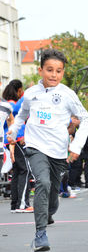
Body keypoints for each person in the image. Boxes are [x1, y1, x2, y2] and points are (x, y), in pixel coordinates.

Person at [7, 49, 88, 252]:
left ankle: (49, 211)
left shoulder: (67, 95)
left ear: (63, 73)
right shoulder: (30, 94)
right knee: (42, 183)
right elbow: (21, 115)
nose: (54, 75)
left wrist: (76, 145)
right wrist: (13, 130)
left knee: (53, 193)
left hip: (59, 152)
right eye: (50, 70)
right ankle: (40, 234)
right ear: (41, 70)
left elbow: (85, 119)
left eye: (59, 71)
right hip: (35, 147)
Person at [2, 80, 33, 213]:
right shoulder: (13, 105)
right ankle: (23, 204)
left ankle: (15, 204)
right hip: (16, 139)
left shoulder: (7, 104)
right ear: (19, 91)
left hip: (9, 140)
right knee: (25, 170)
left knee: (17, 171)